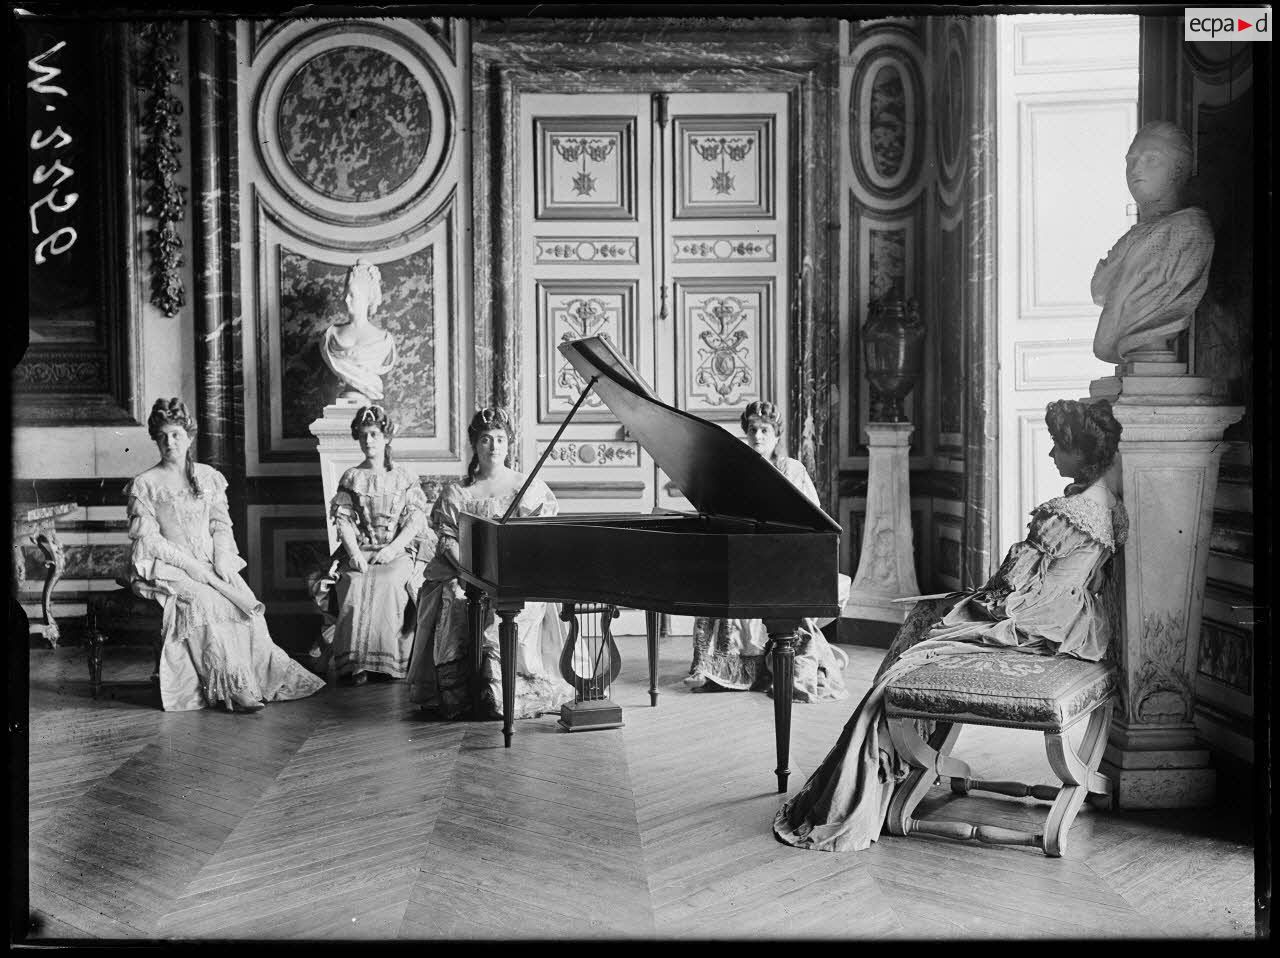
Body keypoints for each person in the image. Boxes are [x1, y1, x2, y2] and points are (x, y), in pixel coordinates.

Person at [774, 398, 1128, 852]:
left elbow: (1013, 583)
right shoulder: (1107, 504)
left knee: (916, 644)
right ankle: (909, 761)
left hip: (1037, 618)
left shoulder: (1065, 512)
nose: (1051, 454)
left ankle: (879, 775)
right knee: (930, 619)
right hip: (1075, 621)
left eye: (1059, 446)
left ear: (1082, 452)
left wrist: (980, 599)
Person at [125, 398, 326, 712]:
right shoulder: (145, 484)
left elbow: (221, 525)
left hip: (210, 564)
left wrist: (221, 558)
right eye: (162, 436)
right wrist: (190, 566)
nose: (169, 442)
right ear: (155, 439)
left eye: (176, 434)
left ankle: (254, 681)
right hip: (167, 567)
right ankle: (232, 689)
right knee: (206, 602)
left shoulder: (208, 477)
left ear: (190, 437)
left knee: (242, 604)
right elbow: (149, 540)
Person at [406, 407, 574, 719]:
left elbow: (537, 538)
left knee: (514, 604)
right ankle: (467, 690)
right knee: (455, 597)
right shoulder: (458, 492)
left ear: (509, 444)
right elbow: (448, 540)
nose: (493, 446)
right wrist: (470, 573)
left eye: (500, 439)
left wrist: (510, 572)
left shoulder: (527, 487)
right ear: (475, 445)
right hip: (465, 572)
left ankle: (504, 690)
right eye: (486, 439)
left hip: (516, 573)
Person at [684, 400, 851, 703]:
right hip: (747, 553)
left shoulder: (792, 469)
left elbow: (814, 520)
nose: (757, 436)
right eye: (752, 430)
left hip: (785, 556)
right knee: (716, 585)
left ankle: (779, 666)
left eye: (764, 430)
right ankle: (723, 670)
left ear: (777, 436)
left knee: (769, 588)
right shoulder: (736, 473)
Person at [309, 405, 430, 685]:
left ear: (387, 437)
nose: (368, 440)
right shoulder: (352, 476)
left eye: (374, 434)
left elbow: (415, 520)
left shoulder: (404, 476)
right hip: (362, 548)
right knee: (354, 582)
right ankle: (356, 664)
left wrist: (393, 549)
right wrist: (354, 554)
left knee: (389, 582)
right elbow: (344, 521)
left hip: (399, 550)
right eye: (363, 435)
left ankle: (388, 663)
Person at [1091, 121, 1214, 365]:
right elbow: (1100, 291)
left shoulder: (1188, 232)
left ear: (1178, 170)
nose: (1136, 169)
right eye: (1131, 161)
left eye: (1152, 160)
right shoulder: (1135, 236)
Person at [321, 258, 397, 402]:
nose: (346, 299)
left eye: (352, 295)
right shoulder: (330, 337)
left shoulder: (384, 341)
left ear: (367, 298)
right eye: (346, 293)